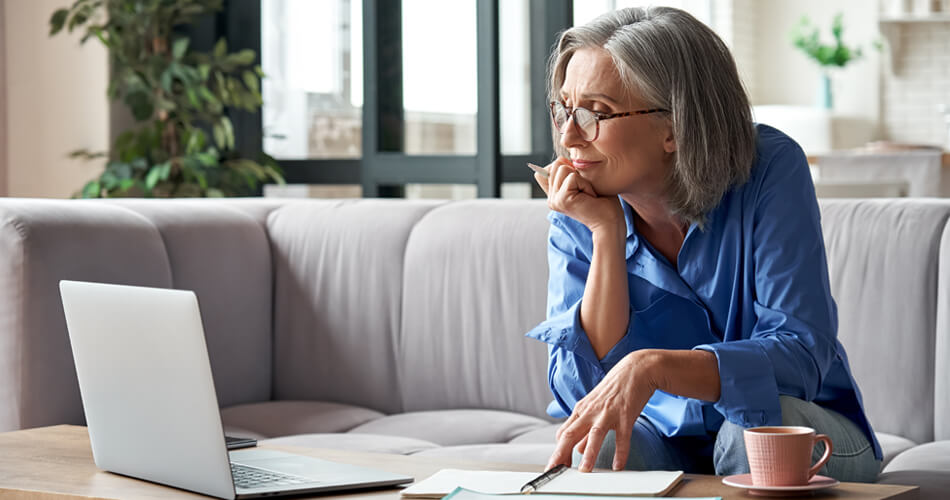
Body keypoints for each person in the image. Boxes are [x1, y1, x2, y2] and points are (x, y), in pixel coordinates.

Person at [524, 6, 882, 482]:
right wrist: (606, 235)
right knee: (603, 443)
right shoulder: (581, 202)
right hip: (664, 437)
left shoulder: (770, 168)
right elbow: (582, 393)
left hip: (802, 426)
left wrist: (655, 367)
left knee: (749, 434)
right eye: (563, 109)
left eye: (596, 113)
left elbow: (801, 354)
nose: (569, 136)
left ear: (674, 126)